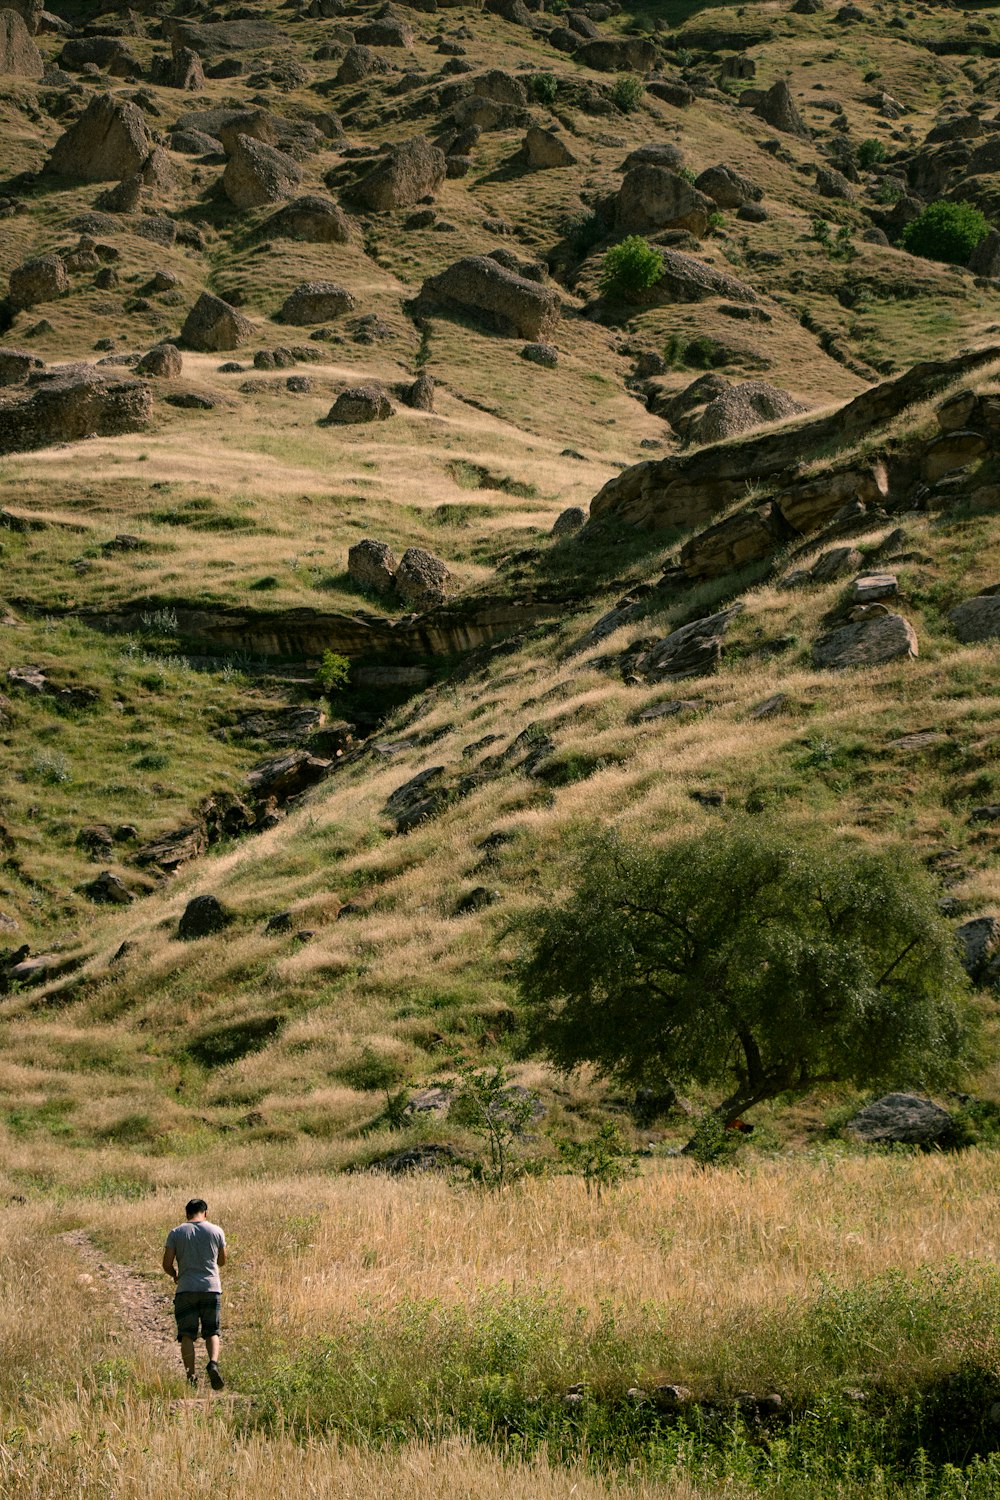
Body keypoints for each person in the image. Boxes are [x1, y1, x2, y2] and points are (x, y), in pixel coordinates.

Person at [162, 1198, 227, 1391]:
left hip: (186, 1288)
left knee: (187, 1335)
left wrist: (175, 1274)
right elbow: (222, 1261)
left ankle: (191, 1375)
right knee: (212, 1331)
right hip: (211, 1288)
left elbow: (166, 1263)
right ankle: (213, 1363)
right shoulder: (216, 1231)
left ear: (186, 1213)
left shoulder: (176, 1232)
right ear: (205, 1213)